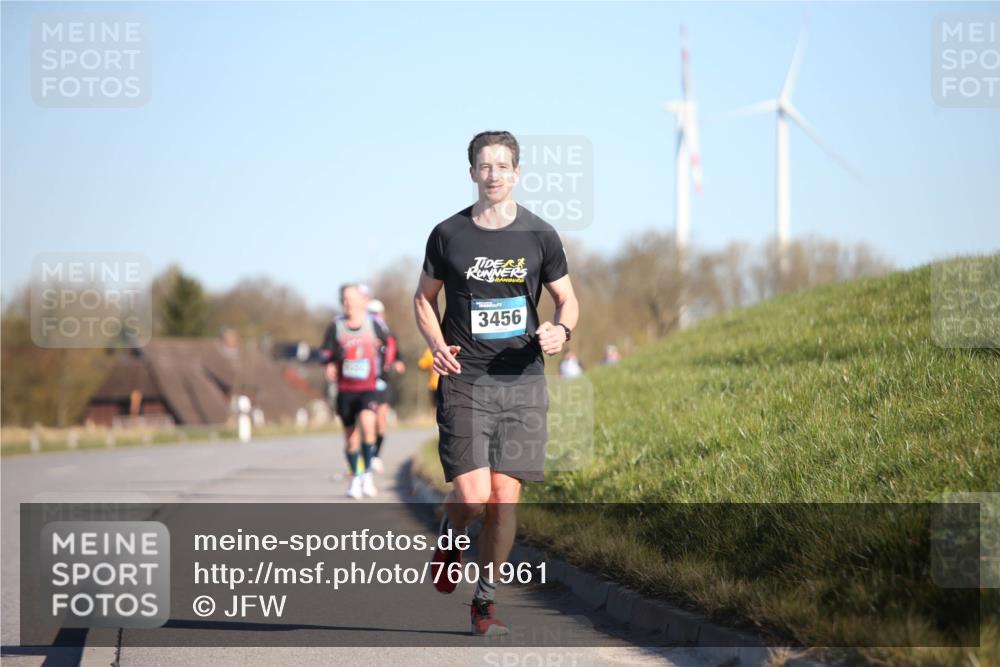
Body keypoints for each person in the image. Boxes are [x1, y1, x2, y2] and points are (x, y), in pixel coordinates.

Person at [414, 130, 579, 636]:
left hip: (523, 381)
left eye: (503, 166)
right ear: (472, 173)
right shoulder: (448, 234)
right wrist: (437, 344)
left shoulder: (541, 235)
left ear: (517, 173)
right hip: (466, 380)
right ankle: (452, 528)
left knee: (504, 499)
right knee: (472, 496)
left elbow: (567, 300)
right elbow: (423, 299)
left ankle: (483, 603)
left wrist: (561, 331)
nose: (493, 175)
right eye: (484, 166)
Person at [320, 284, 394, 499]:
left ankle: (367, 475)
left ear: (363, 301)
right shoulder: (336, 326)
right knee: (351, 440)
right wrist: (329, 364)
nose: (348, 303)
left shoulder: (373, 324)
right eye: (344, 299)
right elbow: (325, 352)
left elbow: (389, 345)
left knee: (368, 426)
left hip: (368, 388)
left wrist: (384, 363)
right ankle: (355, 477)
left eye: (352, 299)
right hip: (345, 389)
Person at [366, 298, 406, 473]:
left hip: (384, 380)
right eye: (371, 313)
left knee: (381, 420)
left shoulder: (389, 334)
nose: (375, 317)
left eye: (377, 313)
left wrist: (398, 363)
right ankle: (364, 453)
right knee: (366, 419)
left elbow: (397, 354)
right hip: (365, 381)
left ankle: (375, 456)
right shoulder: (362, 334)